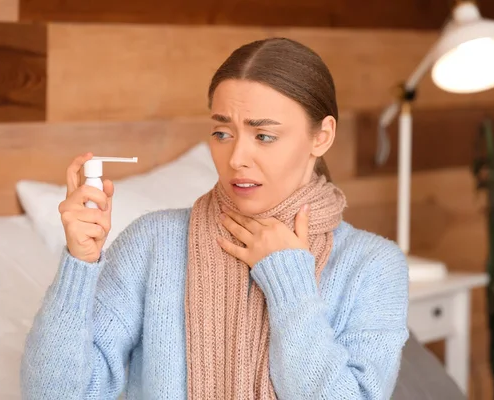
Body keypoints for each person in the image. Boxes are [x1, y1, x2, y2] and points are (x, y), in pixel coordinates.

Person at [20, 37, 409, 399]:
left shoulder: (373, 266)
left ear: (321, 136)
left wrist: (288, 278)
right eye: (222, 133)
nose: (236, 158)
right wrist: (79, 265)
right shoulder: (153, 243)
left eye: (264, 136)